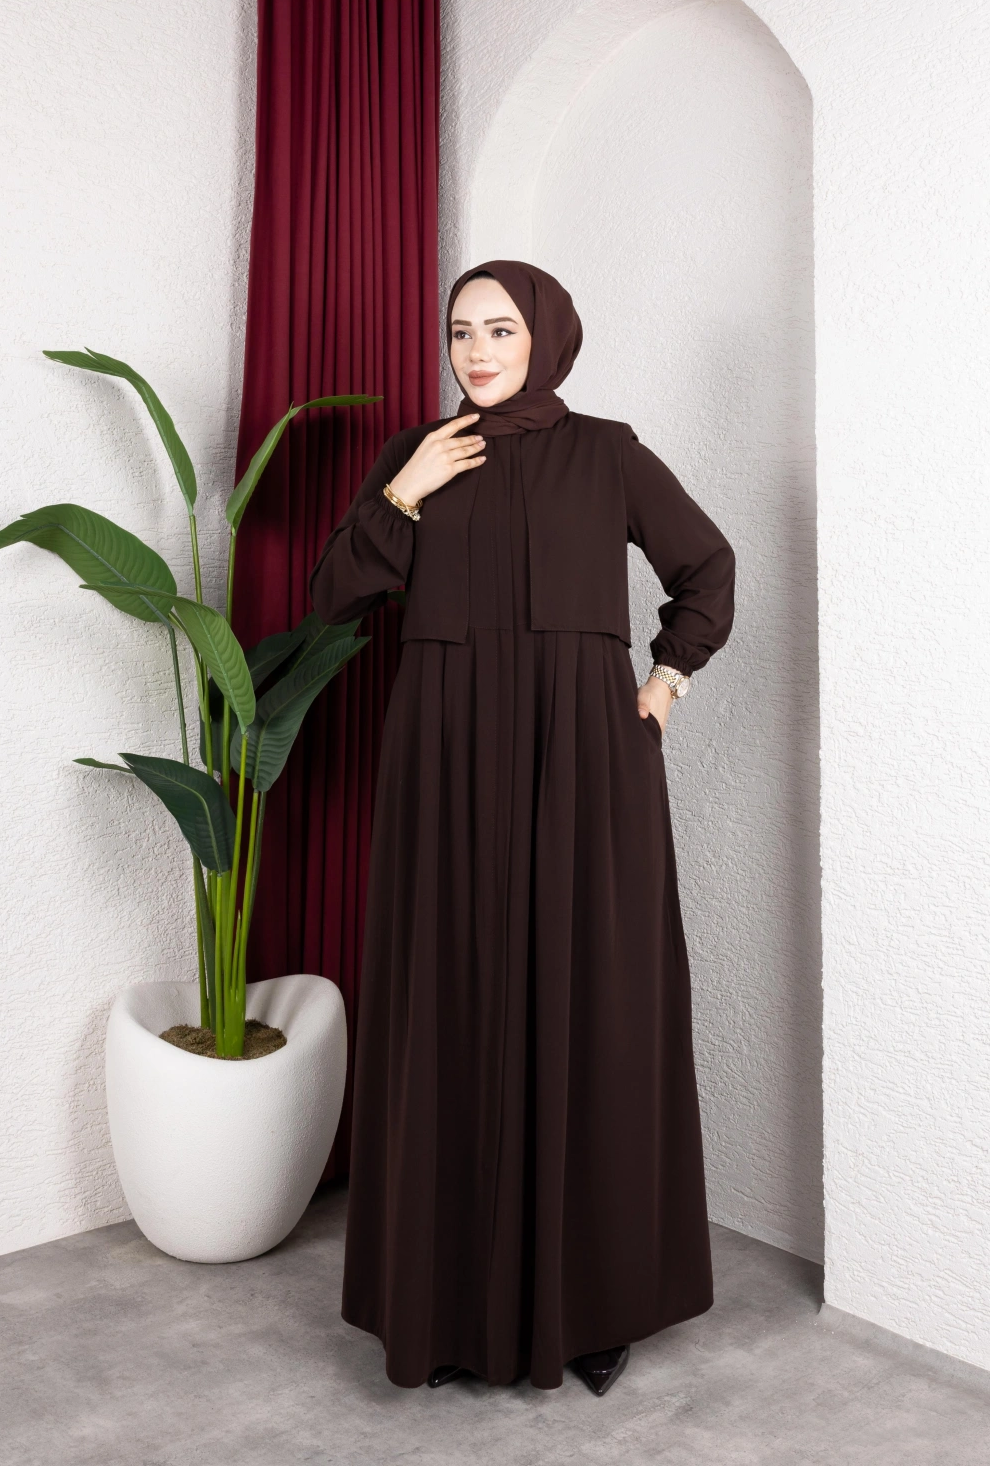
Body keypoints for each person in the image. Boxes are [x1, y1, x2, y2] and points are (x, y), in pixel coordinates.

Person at [308, 259, 737, 1396]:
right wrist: (403, 493)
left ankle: (593, 1303)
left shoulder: (608, 454)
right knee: (451, 999)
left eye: (501, 329)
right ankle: (447, 1301)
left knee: (591, 1003)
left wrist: (664, 682)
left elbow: (707, 567)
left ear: (545, 336)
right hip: (444, 760)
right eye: (461, 331)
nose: (478, 351)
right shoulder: (420, 452)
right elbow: (331, 598)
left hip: (584, 761)